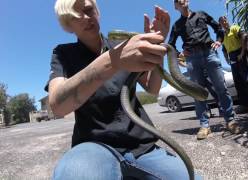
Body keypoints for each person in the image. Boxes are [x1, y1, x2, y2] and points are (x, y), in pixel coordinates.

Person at [46, 0, 202, 179]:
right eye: (75, 15)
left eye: (89, 10)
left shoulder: (122, 46)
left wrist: (157, 46)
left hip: (142, 147)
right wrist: (113, 61)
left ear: (97, 12)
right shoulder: (62, 54)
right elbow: (58, 105)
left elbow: (152, 88)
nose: (85, 17)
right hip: (93, 148)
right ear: (68, 25)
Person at [168, 0, 240, 140]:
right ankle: (205, 126)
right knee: (197, 93)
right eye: (177, 1)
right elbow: (170, 44)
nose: (180, 1)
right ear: (176, 6)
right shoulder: (177, 25)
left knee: (221, 88)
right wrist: (178, 54)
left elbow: (217, 27)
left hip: (209, 54)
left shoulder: (201, 14)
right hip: (192, 59)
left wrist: (219, 40)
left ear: (187, 1)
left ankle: (230, 121)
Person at [219, 16, 248, 114]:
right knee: (238, 82)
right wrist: (227, 59)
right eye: (222, 22)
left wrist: (242, 52)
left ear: (227, 20)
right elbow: (224, 49)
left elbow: (244, 36)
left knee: (247, 79)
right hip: (232, 58)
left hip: (240, 54)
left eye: (225, 21)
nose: (224, 23)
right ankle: (244, 105)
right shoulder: (223, 35)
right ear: (220, 25)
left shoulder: (234, 28)